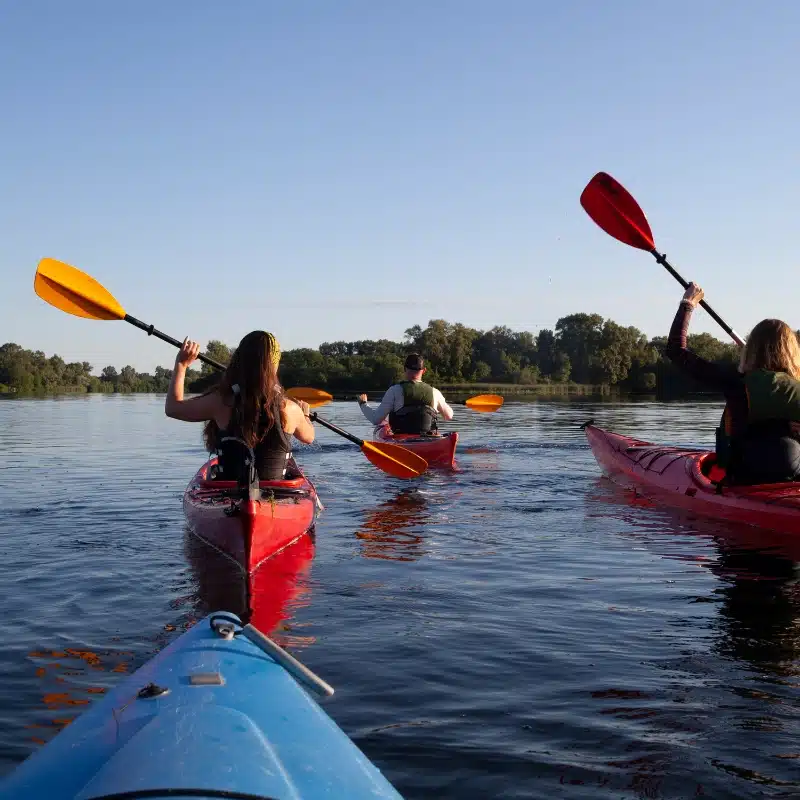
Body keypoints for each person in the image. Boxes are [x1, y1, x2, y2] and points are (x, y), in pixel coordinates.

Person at [666, 283, 800, 484]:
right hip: (794, 474)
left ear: (752, 349)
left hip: (745, 478)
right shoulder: (796, 387)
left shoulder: (735, 382)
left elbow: (676, 350)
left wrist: (688, 303)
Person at [165, 331, 314, 481]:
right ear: (274, 366)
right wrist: (305, 415)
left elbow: (173, 408)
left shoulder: (221, 401)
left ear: (239, 361)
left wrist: (182, 364)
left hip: (228, 493)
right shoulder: (290, 408)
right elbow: (309, 437)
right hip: (277, 494)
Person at [357, 353, 453, 436]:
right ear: (424, 370)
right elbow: (449, 416)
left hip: (401, 441)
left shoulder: (394, 390)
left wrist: (363, 404)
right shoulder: (435, 392)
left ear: (404, 369)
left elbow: (376, 419)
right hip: (428, 439)